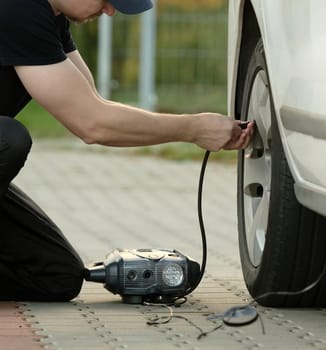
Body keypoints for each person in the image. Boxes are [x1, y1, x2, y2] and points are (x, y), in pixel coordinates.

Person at [0, 0, 254, 301]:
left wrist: (196, 126)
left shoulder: (49, 17)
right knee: (9, 139)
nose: (109, 11)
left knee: (56, 276)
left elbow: (93, 104)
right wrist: (192, 129)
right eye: (107, 0)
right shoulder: (16, 8)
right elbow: (92, 124)